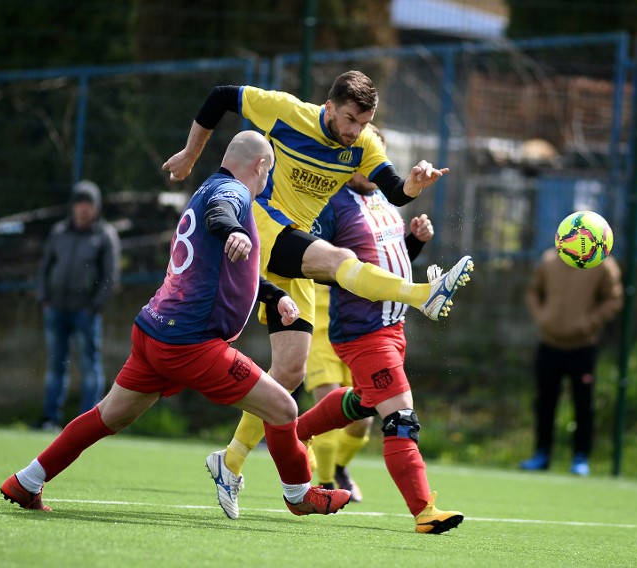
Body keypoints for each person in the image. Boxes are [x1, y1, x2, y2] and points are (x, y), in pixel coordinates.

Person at [162, 70, 474, 519]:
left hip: (293, 250)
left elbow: (393, 190)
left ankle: (228, 461)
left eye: (362, 123)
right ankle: (421, 294)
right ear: (329, 106)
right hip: (261, 226)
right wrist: (192, 154)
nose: (354, 130)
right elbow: (220, 97)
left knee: (288, 371)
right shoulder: (289, 112)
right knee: (335, 259)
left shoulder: (364, 144)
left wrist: (413, 185)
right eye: (349, 119)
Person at [0, 131, 351, 518]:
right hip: (190, 344)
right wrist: (234, 229)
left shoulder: (205, 189)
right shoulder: (232, 193)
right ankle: (299, 494)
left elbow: (224, 266)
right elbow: (224, 214)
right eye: (269, 172)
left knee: (108, 416)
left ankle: (27, 480)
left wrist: (273, 295)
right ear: (261, 166)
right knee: (283, 408)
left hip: (154, 332)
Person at [297, 140, 464, 534]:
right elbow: (314, 264)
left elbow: (387, 262)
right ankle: (424, 512)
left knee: (364, 402)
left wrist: (416, 244)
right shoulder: (332, 202)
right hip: (362, 330)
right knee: (401, 418)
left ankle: (296, 431)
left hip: (392, 327)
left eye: (377, 157)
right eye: (363, 157)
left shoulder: (385, 200)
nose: (372, 165)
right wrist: (344, 271)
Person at [519, 247, 623, 476]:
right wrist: (543, 318)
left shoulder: (603, 264)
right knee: (544, 402)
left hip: (583, 347)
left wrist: (589, 323)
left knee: (583, 404)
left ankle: (581, 457)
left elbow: (614, 299)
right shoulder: (548, 260)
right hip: (549, 344)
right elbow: (533, 292)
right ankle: (541, 453)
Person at [36, 180, 121, 431]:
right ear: (73, 207)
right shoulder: (59, 232)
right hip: (56, 310)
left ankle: (88, 424)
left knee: (90, 365)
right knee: (55, 364)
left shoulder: (104, 235)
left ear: (96, 208)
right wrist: (44, 300)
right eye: (80, 204)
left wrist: (93, 308)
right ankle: (50, 418)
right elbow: (44, 268)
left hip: (86, 313)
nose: (84, 209)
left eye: (89, 204)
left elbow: (110, 277)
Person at [304, 282, 371, 502]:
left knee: (364, 419)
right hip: (319, 334)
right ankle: (325, 484)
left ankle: (339, 467)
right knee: (328, 414)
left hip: (355, 336)